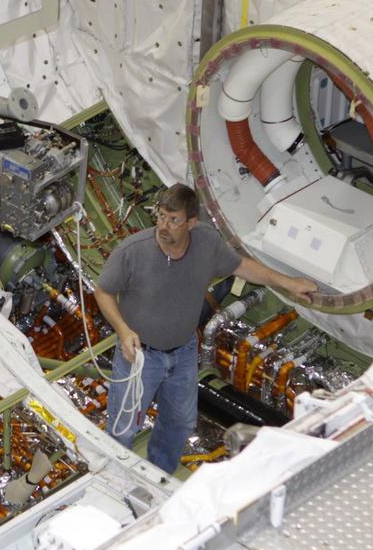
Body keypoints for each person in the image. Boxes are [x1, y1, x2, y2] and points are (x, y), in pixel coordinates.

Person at [94, 183, 317, 474]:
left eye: (173, 220)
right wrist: (123, 331)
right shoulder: (132, 251)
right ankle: (113, 481)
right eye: (160, 217)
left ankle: (160, 473)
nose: (163, 226)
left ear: (191, 222)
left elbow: (240, 266)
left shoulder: (206, 243)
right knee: (123, 429)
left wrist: (288, 283)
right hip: (140, 357)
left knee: (179, 422)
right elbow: (103, 291)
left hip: (183, 353)